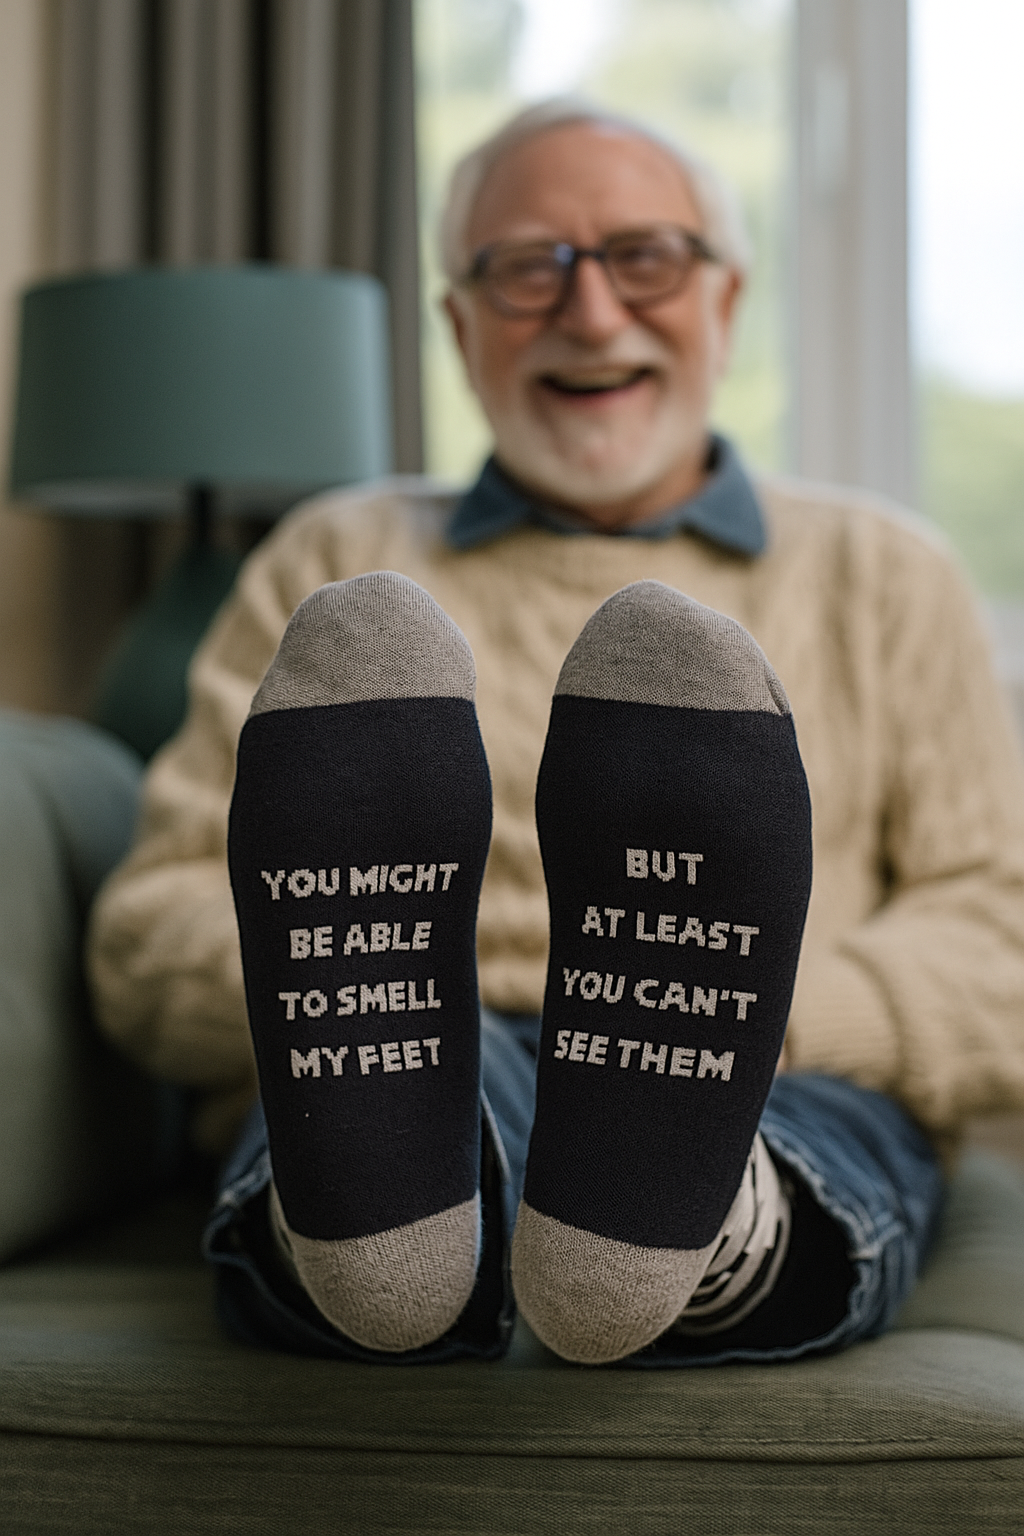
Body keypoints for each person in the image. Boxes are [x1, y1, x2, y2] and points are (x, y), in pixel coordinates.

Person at [88, 100, 1024, 1367]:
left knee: (760, 1131)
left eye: (644, 256)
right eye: (529, 269)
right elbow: (152, 935)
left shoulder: (883, 574)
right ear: (458, 326)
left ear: (724, 301)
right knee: (375, 1123)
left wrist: (692, 1007)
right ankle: (393, 1220)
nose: (590, 314)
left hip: (773, 1075)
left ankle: (697, 1220)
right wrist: (380, 976)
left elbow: (1000, 941)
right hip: (404, 1062)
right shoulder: (335, 558)